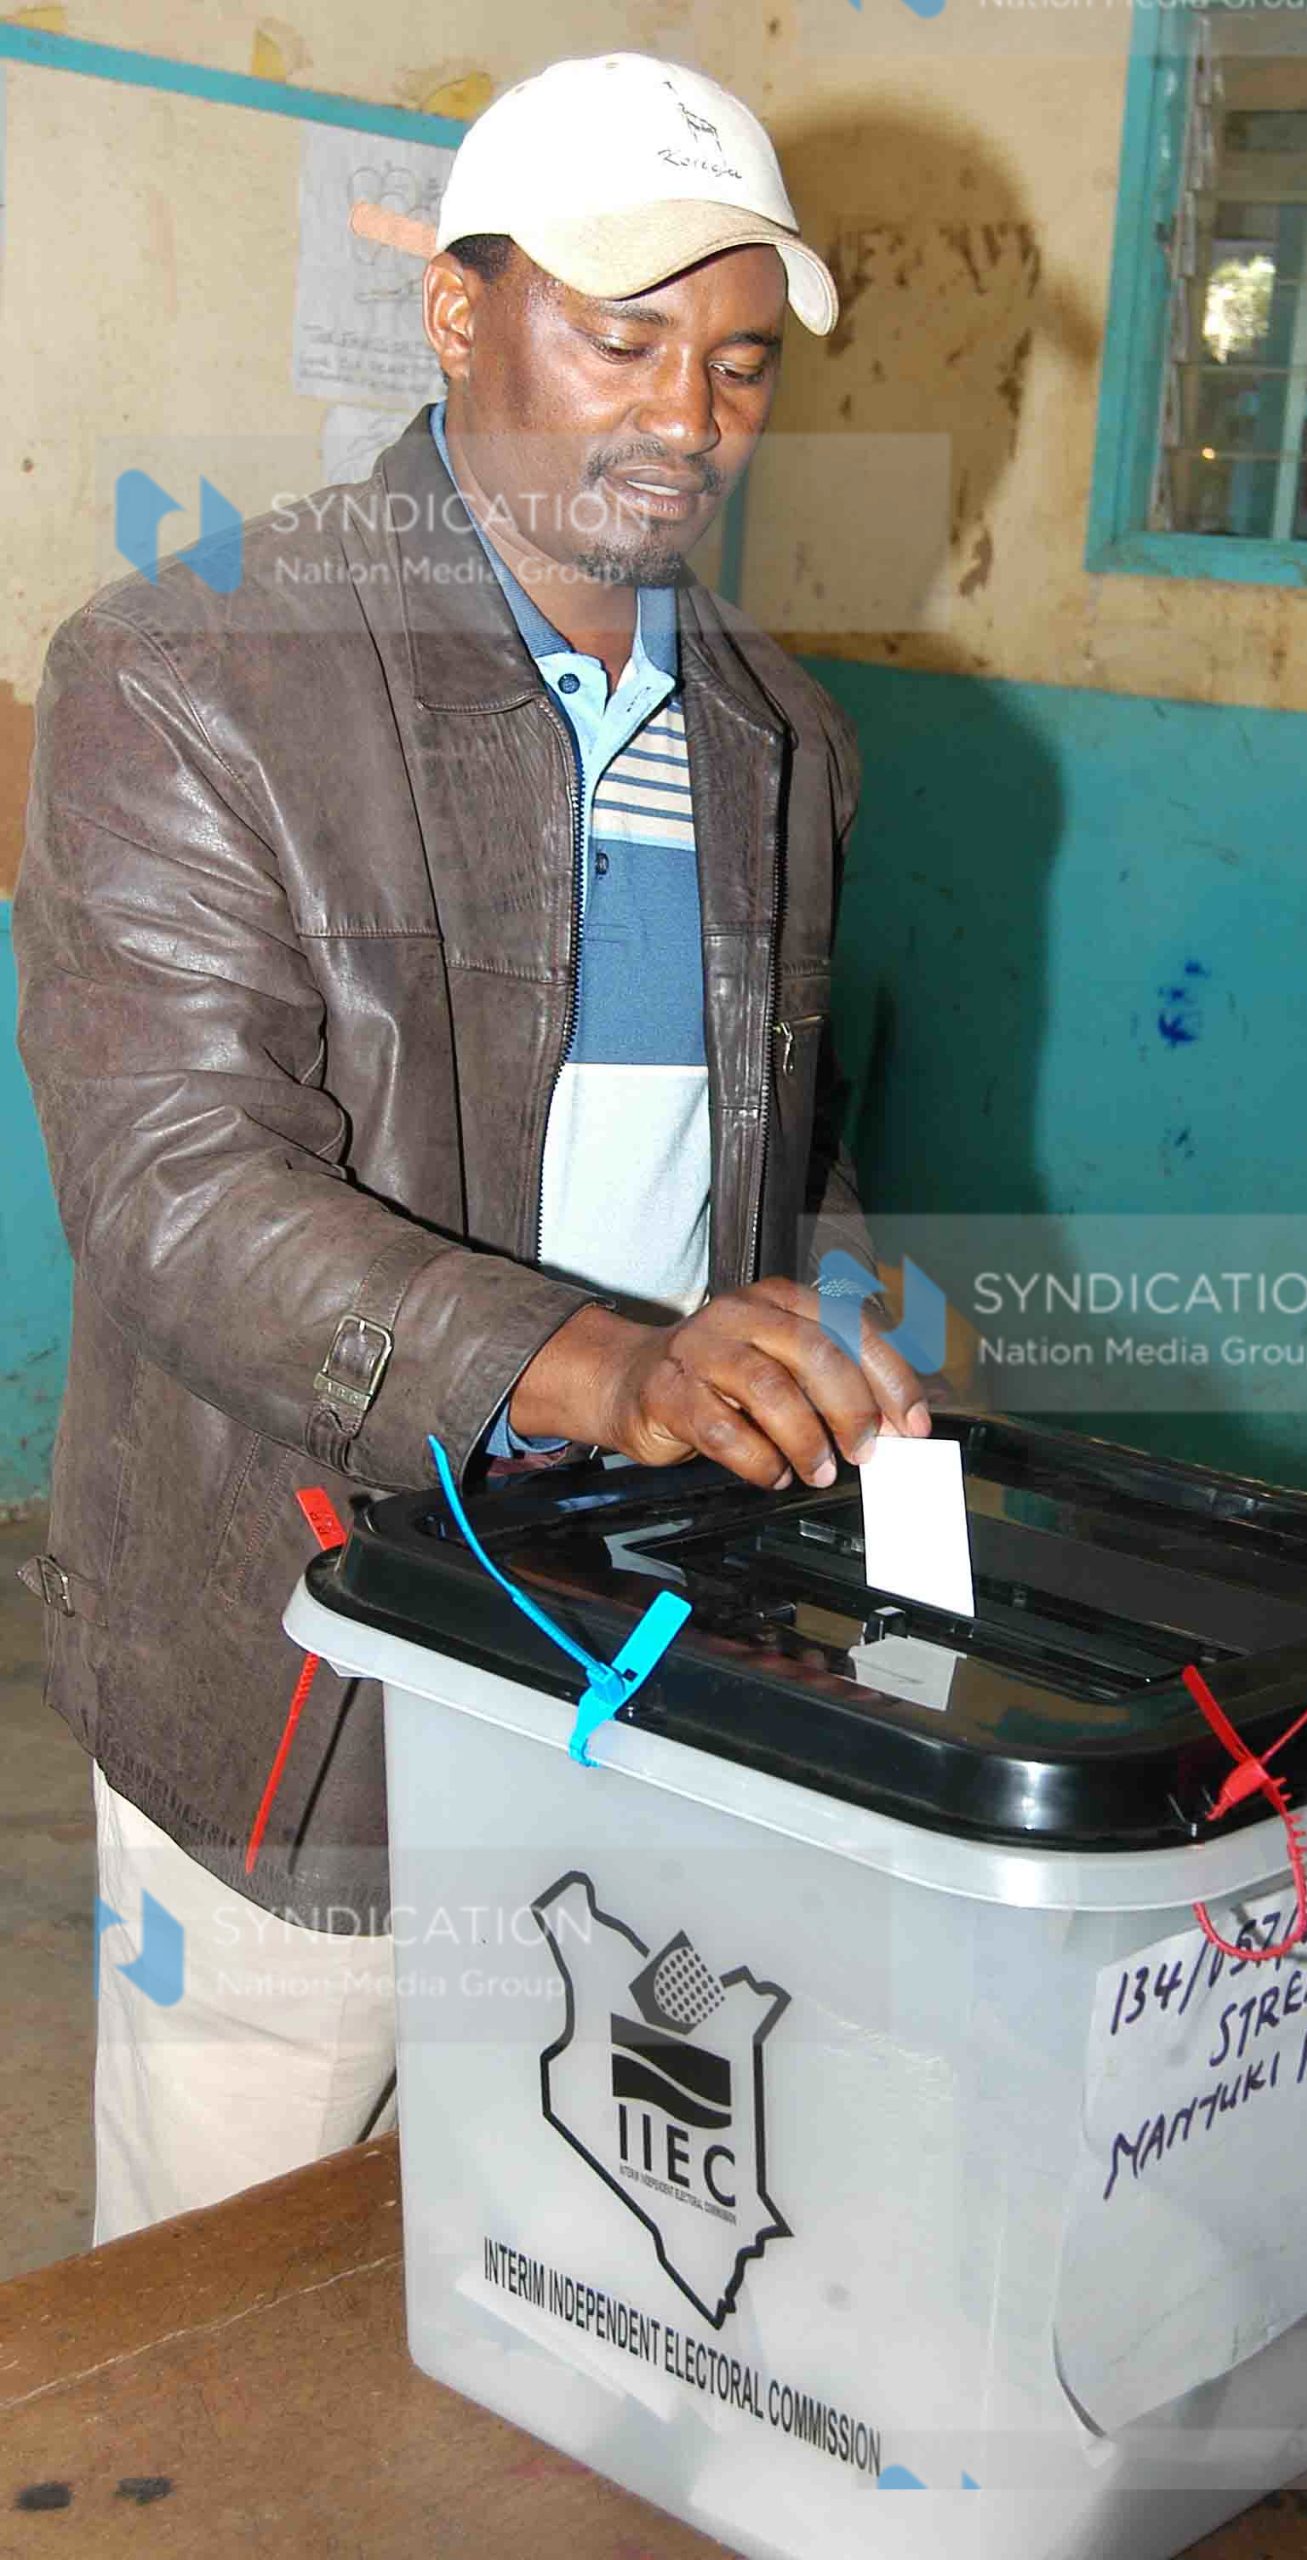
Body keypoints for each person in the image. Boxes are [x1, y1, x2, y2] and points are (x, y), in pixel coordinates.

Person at [14, 52, 928, 2241]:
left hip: (633, 1613)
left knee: (562, 2218)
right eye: (618, 339)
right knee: (238, 2259)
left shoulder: (777, 737)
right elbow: (179, 1193)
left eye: (735, 363)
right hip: (300, 1622)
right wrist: (600, 1363)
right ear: (455, 316)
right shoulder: (189, 671)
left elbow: (770, 1156)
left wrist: (864, 1315)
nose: (684, 416)